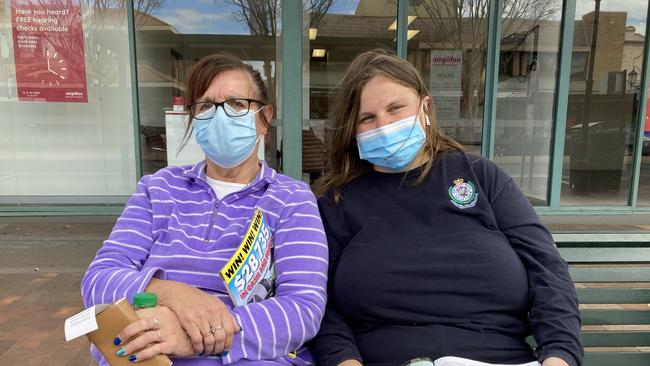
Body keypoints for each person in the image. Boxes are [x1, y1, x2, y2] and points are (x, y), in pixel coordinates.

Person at [309, 50, 582, 366]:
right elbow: (320, 302)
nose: (382, 125)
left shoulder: (481, 177)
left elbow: (546, 269)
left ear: (425, 107)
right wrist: (343, 360)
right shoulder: (337, 202)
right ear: (352, 129)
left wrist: (560, 355)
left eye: (395, 109)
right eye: (367, 118)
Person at [81, 53, 328, 365]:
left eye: (237, 104)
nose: (220, 116)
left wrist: (196, 338)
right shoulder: (158, 188)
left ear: (264, 118)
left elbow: (302, 309)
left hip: (247, 357)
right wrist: (175, 295)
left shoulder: (291, 199)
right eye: (206, 106)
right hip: (147, 352)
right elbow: (98, 280)